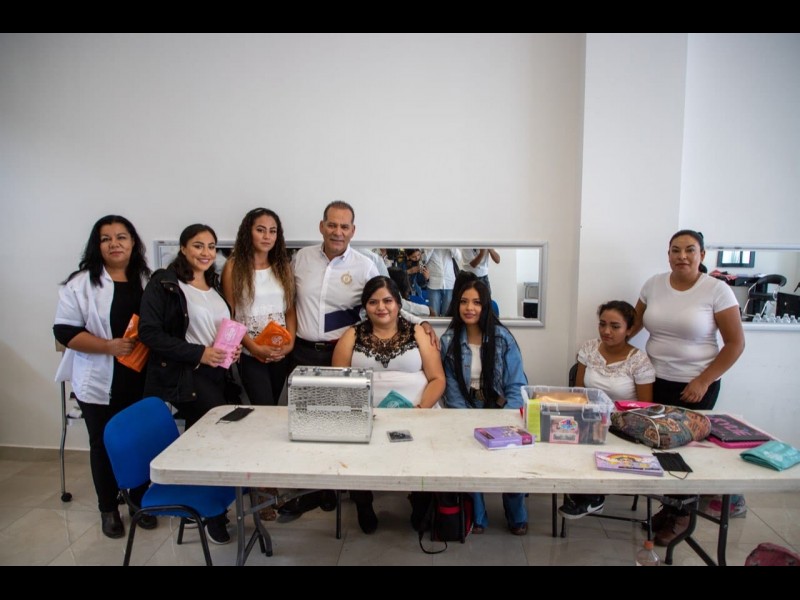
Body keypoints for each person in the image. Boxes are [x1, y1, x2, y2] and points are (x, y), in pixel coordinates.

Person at [282, 200, 438, 519]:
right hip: (305, 351)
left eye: (344, 226)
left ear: (353, 230)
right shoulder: (301, 259)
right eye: (332, 225)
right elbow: (289, 302)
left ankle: (343, 491)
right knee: (315, 427)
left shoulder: (365, 265)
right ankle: (320, 491)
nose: (338, 232)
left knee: (340, 426)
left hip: (341, 349)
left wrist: (420, 322)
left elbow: (386, 298)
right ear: (322, 226)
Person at [632, 229, 745, 546]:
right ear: (668, 253)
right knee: (658, 445)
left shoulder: (717, 290)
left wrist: (704, 380)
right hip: (655, 379)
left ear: (702, 255)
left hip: (696, 384)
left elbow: (735, 344)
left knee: (684, 451)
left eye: (690, 250)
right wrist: (607, 346)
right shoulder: (653, 285)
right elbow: (635, 324)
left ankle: (682, 516)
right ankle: (668, 507)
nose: (682, 256)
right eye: (675, 250)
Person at [53, 215, 156, 539]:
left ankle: (139, 501)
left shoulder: (147, 278)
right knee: (103, 443)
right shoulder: (81, 283)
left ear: (133, 242)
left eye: (121, 237)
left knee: (141, 440)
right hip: (99, 379)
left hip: (140, 376)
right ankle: (108, 508)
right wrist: (107, 346)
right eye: (106, 238)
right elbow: (65, 331)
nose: (115, 244)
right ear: (96, 246)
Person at [139, 223, 241, 545]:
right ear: (183, 248)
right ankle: (212, 516)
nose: (206, 252)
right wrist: (200, 353)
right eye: (198, 245)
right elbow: (150, 333)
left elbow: (215, 331)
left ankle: (208, 506)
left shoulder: (213, 286)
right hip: (187, 375)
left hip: (218, 374)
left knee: (216, 442)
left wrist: (230, 350)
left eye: (211, 246)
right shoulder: (165, 283)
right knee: (211, 443)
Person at [332, 276, 446, 533]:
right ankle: (363, 503)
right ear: (365, 306)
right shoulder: (352, 335)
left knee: (424, 456)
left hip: (417, 413)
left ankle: (421, 501)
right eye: (373, 302)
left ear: (398, 304)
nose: (381, 307)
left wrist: (420, 411)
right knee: (354, 450)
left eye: (387, 301)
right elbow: (338, 382)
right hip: (366, 416)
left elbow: (438, 379)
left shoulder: (418, 332)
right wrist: (358, 412)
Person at [440, 280, 529, 535]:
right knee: (470, 455)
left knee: (509, 457)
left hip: (502, 407)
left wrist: (506, 420)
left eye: (477, 302)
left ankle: (517, 515)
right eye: (464, 302)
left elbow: (516, 384)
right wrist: (468, 421)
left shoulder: (503, 338)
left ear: (486, 305)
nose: (469, 308)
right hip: (465, 408)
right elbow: (451, 389)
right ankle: (477, 516)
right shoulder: (448, 340)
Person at [557, 300, 655, 520]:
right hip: (590, 419)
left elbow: (645, 408)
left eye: (615, 326)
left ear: (629, 329)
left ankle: (592, 497)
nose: (606, 331)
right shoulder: (589, 349)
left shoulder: (639, 361)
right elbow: (579, 392)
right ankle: (586, 494)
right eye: (602, 324)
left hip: (623, 425)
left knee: (601, 446)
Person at [221, 208, 296, 407]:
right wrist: (254, 348)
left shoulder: (283, 266)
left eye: (272, 231)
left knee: (274, 406)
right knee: (262, 406)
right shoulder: (233, 267)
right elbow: (230, 315)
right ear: (248, 232)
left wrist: (289, 346)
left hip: (279, 351)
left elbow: (290, 310)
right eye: (260, 230)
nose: (267, 236)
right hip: (250, 353)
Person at [422, 247, 460, 316]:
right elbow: (423, 260)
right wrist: (432, 246)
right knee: (434, 314)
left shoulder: (450, 243)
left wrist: (450, 244)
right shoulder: (428, 243)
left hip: (449, 283)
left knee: (447, 315)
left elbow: (459, 257)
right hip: (433, 284)